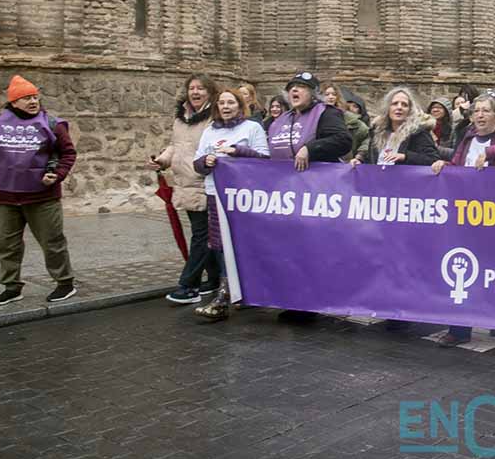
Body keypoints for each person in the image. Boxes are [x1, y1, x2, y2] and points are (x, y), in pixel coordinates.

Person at [198, 72, 352, 323]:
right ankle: (295, 301)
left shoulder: (326, 113)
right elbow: (265, 155)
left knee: (312, 250)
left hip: (316, 192)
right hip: (286, 196)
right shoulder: (281, 119)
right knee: (292, 249)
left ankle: (312, 303)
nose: (295, 91)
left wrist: (310, 148)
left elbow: (343, 140)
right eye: (292, 87)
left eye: (302, 87)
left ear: (313, 93)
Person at [432, 93, 495, 347]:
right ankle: (459, 328)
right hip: (466, 214)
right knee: (463, 263)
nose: (479, 115)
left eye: (485, 110)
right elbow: (457, 165)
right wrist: (444, 164)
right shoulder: (466, 137)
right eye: (476, 110)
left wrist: (493, 152)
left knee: (493, 268)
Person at [0, 75, 78, 306]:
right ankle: (12, 287)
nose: (33, 101)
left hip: (43, 197)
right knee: (6, 246)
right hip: (7, 198)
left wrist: (57, 175)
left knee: (52, 242)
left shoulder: (53, 124)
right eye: (26, 98)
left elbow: (68, 154)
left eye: (35, 97)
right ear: (13, 102)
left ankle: (65, 283)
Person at [187, 89, 270, 321]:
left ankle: (248, 290)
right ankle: (225, 295)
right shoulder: (209, 131)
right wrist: (206, 161)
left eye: (231, 102)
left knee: (245, 243)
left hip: (244, 196)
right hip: (217, 194)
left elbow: (265, 159)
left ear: (240, 105)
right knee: (221, 245)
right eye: (222, 102)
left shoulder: (251, 128)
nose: (225, 106)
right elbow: (197, 162)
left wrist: (238, 152)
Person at [148, 74, 218, 305]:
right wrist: (162, 160)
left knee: (201, 236)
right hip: (184, 183)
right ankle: (215, 278)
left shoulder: (213, 118)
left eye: (200, 88)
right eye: (192, 88)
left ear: (210, 92)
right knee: (203, 235)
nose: (195, 92)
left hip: (204, 182)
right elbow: (175, 146)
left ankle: (189, 286)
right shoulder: (181, 118)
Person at [353, 88, 441, 167]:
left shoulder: (418, 132)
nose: (399, 107)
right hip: (378, 181)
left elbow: (432, 159)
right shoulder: (377, 131)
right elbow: (371, 158)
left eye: (404, 105)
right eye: (395, 104)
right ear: (388, 108)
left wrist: (405, 156)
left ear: (410, 110)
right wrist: (359, 160)